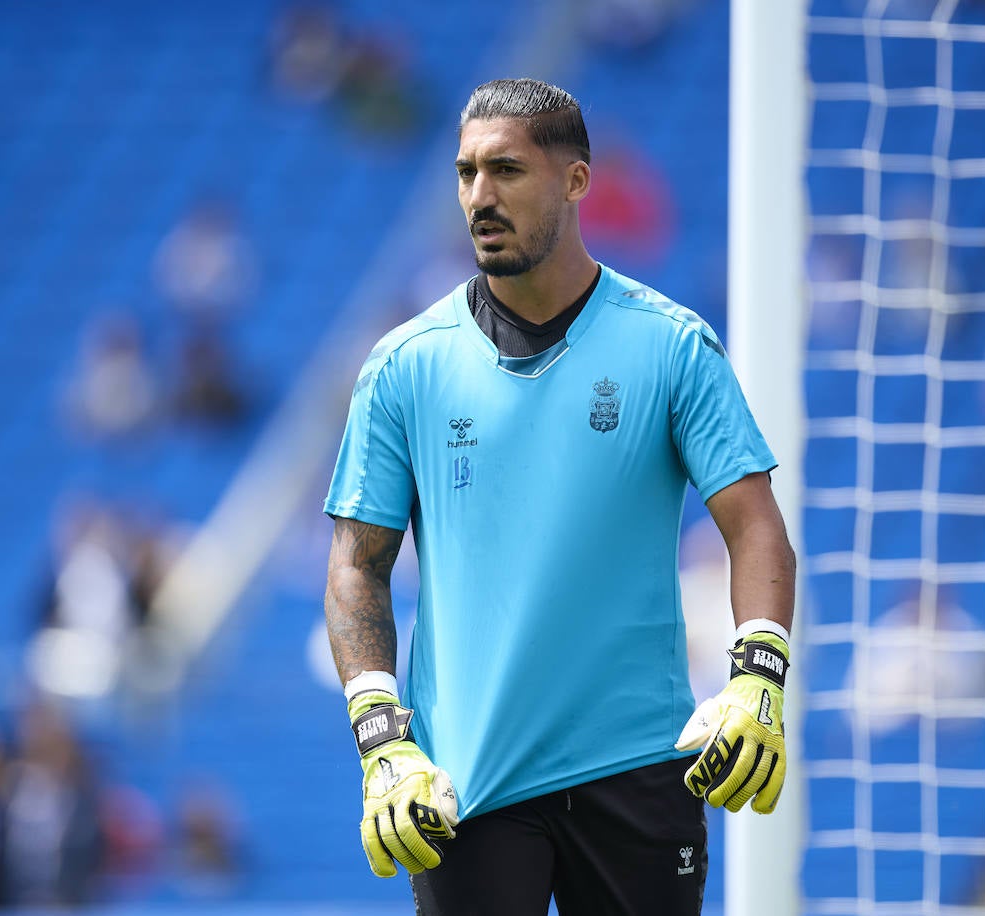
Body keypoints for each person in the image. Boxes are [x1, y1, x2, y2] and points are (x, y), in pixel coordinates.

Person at [322, 78, 796, 914]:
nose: (478, 196)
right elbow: (357, 563)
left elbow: (755, 527)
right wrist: (380, 735)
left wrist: (758, 674)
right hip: (466, 784)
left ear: (576, 180)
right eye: (466, 172)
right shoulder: (404, 366)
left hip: (641, 769)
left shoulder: (672, 345)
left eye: (505, 170)